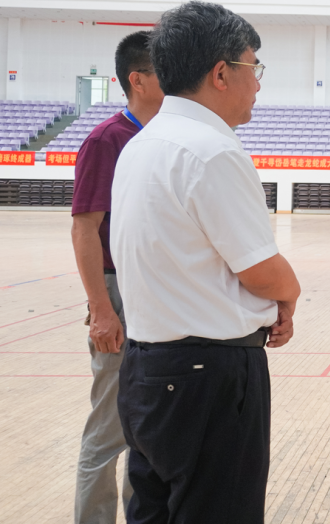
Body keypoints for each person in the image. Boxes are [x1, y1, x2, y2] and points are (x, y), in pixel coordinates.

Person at [111, 1, 301, 524]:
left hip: (145, 369)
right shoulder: (213, 151)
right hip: (207, 378)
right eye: (253, 67)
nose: (257, 84)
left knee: (152, 512)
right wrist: (289, 295)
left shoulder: (141, 144)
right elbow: (260, 270)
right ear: (221, 73)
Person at [70, 31, 165, 524]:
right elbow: (84, 228)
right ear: (137, 80)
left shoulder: (163, 137)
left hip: (152, 293)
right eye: (163, 70)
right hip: (115, 291)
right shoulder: (106, 140)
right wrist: (101, 309)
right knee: (108, 429)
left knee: (144, 430)